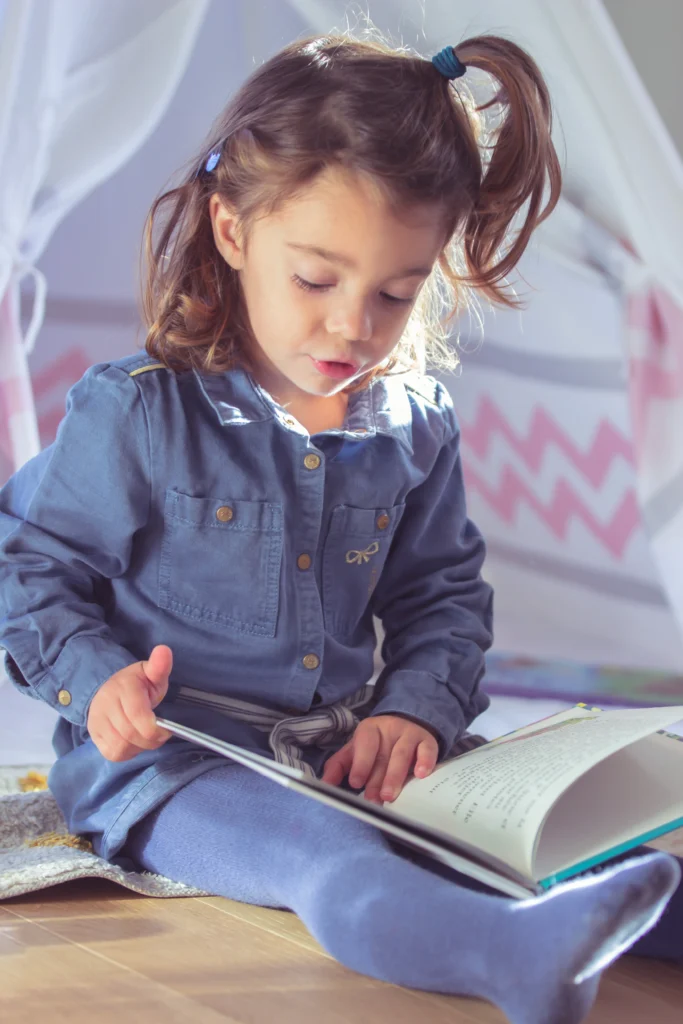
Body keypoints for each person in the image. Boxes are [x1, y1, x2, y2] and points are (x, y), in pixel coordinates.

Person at [0, 32, 680, 1024]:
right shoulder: (137, 414)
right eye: (314, 281)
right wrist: (93, 677)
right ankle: (513, 957)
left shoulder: (414, 424)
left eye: (395, 294)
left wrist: (412, 710)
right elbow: (28, 565)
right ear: (233, 232)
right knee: (331, 859)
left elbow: (438, 599)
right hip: (174, 765)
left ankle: (613, 911)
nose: (351, 328)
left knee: (538, 834)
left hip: (344, 751)